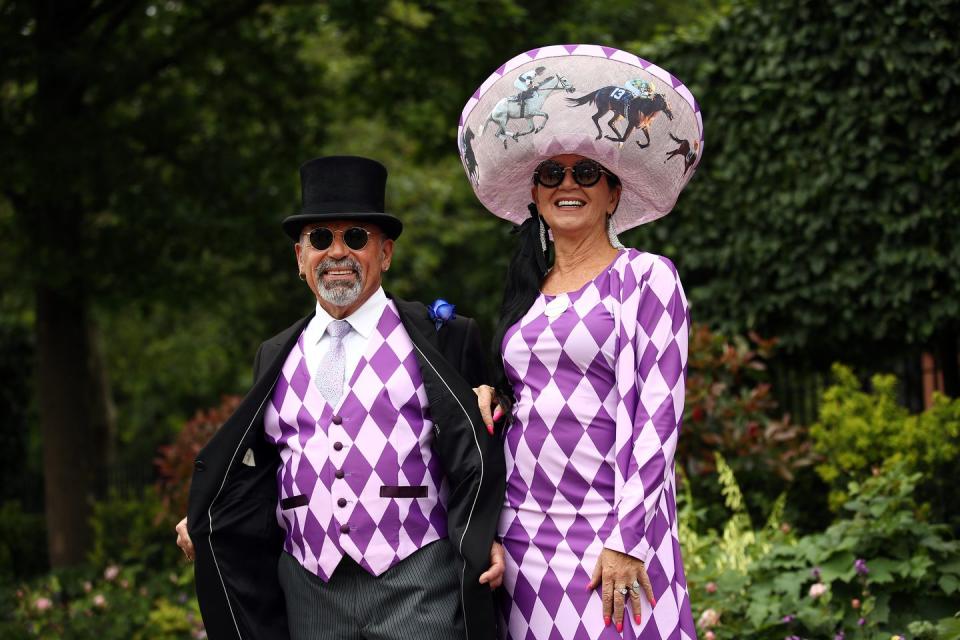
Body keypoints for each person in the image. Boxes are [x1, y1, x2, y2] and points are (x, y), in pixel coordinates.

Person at [175, 155, 506, 640]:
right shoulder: (274, 354)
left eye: (355, 237)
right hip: (310, 587)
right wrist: (210, 515)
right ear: (299, 256)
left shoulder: (445, 338)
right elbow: (261, 470)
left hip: (419, 583)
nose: (337, 253)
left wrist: (486, 535)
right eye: (320, 238)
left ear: (386, 253)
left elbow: (479, 451)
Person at [457, 45, 704, 639]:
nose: (569, 184)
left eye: (587, 172)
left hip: (612, 538)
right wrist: (488, 393)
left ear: (614, 193)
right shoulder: (527, 291)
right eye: (552, 174)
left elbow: (658, 417)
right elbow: (530, 392)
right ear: (536, 196)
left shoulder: (647, 277)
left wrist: (628, 540)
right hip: (523, 537)